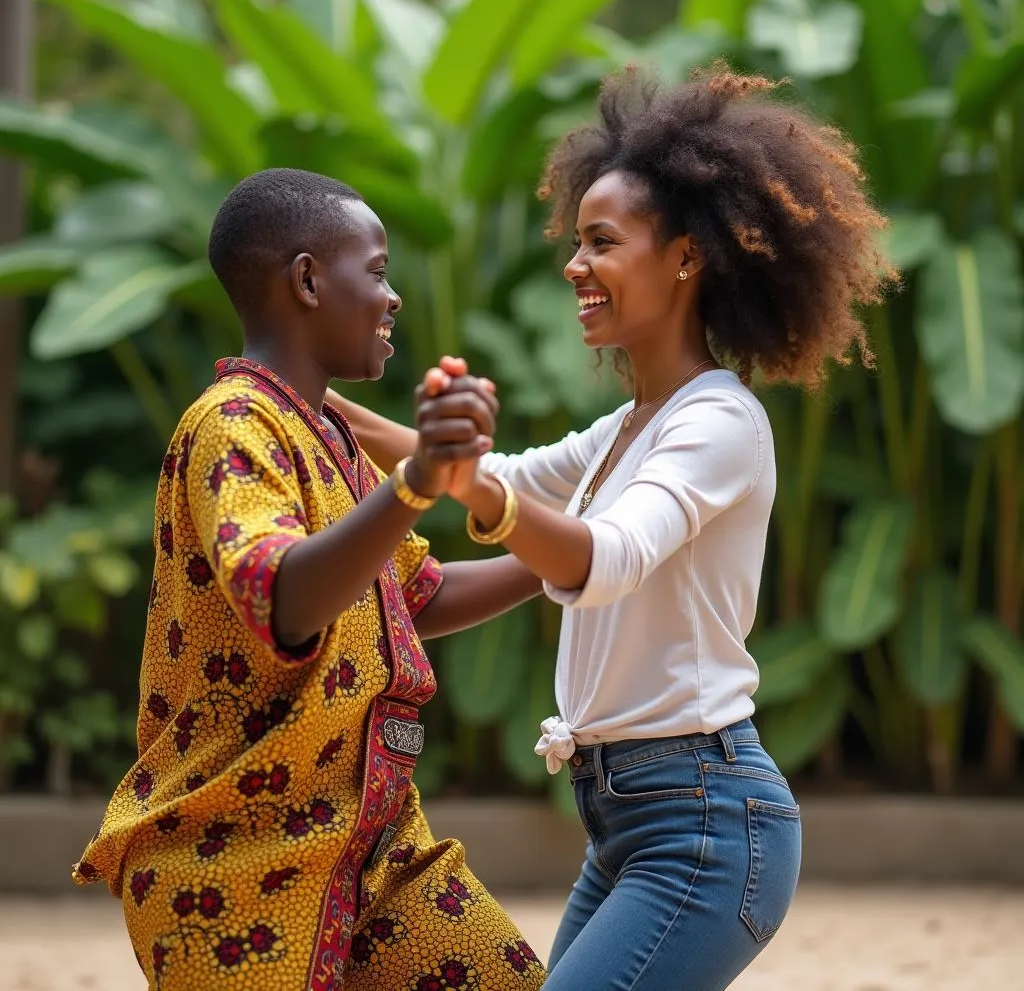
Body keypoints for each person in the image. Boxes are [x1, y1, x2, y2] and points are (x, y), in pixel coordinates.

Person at [330, 66, 896, 989]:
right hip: (632, 819)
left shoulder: (714, 423)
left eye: (601, 242)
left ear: (685, 257)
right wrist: (306, 395)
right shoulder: (629, 427)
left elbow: (610, 554)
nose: (574, 266)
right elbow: (505, 478)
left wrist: (469, 480)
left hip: (708, 828)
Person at [72, 168, 548, 991]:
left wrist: (574, 557)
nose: (393, 296)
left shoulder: (324, 433)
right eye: (377, 269)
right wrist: (418, 483)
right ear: (306, 280)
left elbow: (415, 596)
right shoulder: (230, 424)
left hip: (378, 849)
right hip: (231, 862)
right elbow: (285, 596)